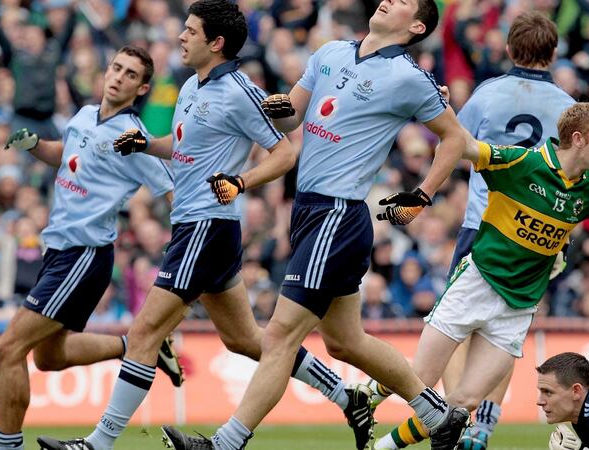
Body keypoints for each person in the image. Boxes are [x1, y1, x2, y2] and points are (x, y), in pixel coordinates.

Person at [37, 2, 370, 450]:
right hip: (198, 228)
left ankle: (98, 443)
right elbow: (183, 150)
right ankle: (347, 395)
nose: (181, 37)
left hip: (206, 227)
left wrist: (241, 181)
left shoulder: (239, 90)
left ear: (216, 43)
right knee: (246, 340)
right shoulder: (193, 85)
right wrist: (145, 145)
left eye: (191, 31)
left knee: (143, 333)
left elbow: (286, 152)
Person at [161, 0, 472, 448]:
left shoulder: (408, 77)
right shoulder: (330, 53)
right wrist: (268, 102)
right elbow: (291, 116)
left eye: (402, 1)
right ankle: (435, 413)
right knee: (347, 343)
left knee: (281, 334)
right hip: (308, 211)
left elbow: (454, 137)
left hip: (339, 215)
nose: (388, 0)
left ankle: (224, 443)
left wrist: (421, 195)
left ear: (417, 25)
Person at [368, 101, 589, 449]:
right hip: (476, 285)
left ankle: (382, 447)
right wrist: (436, 107)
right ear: (579, 139)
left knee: (463, 404)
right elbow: (465, 145)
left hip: (517, 309)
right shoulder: (523, 162)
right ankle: (365, 394)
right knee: (420, 381)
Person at [368, 11, 576, 450]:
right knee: (506, 334)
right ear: (553, 53)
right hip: (537, 239)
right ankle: (482, 424)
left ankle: (448, 421)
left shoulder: (489, 93)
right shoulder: (566, 108)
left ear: (507, 49)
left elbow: (456, 141)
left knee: (458, 328)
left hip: (484, 226)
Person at [0, 45, 183, 450]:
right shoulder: (83, 116)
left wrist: (185, 240)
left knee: (9, 348)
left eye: (130, 74)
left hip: (83, 256)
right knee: (48, 358)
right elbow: (67, 157)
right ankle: (135, 347)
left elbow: (170, 189)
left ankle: (4, 446)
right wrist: (35, 146)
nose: (118, 76)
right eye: (116, 67)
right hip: (57, 252)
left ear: (142, 87)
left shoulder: (134, 138)